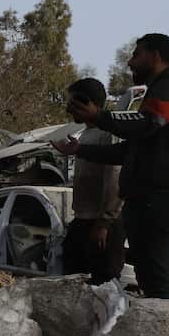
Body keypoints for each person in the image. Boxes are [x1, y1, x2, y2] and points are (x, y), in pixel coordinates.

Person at [53, 33, 169, 299]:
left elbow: (147, 122)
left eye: (136, 55)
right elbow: (129, 150)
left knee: (156, 284)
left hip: (155, 202)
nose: (130, 63)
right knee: (150, 281)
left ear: (154, 56)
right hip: (145, 202)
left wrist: (100, 117)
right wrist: (81, 150)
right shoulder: (159, 90)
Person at [60, 77, 125, 284]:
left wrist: (104, 223)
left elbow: (114, 181)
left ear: (86, 102)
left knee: (102, 287)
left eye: (73, 103)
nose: (69, 109)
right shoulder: (85, 135)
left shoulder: (109, 134)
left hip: (102, 227)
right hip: (83, 221)